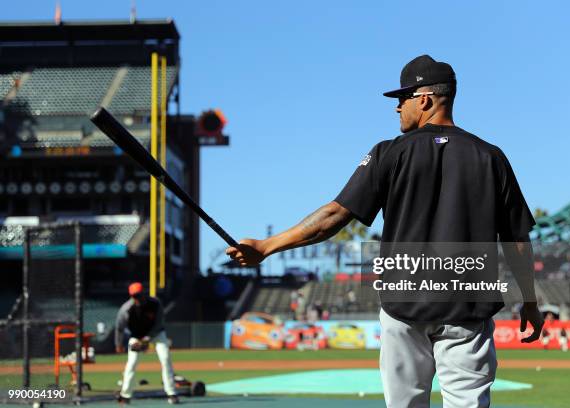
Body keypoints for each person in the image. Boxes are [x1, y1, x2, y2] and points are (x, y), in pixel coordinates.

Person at [226, 54, 544, 407]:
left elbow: (333, 216)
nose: (397, 108)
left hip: (403, 303)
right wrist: (529, 302)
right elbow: (517, 241)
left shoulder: (388, 153)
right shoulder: (491, 157)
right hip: (467, 306)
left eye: (402, 98)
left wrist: (268, 246)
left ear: (424, 99)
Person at [115, 282, 179, 405]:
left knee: (165, 359)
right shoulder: (126, 309)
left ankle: (172, 393)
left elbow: (159, 324)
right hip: (136, 337)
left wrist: (147, 339)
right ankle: (125, 395)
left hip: (157, 334)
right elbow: (119, 327)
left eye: (138, 295)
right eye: (134, 296)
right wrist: (118, 344)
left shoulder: (155, 303)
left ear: (144, 293)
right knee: (132, 363)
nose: (136, 298)